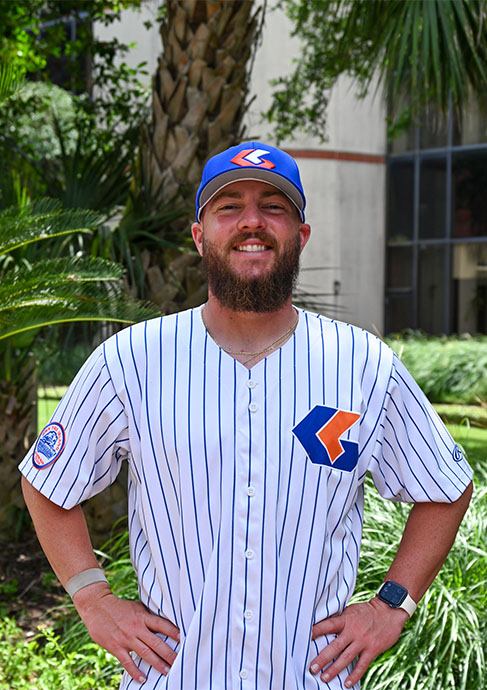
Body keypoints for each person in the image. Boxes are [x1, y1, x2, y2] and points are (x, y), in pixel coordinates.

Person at [20, 141, 473, 690]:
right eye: (228, 206)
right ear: (200, 234)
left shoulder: (363, 365)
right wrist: (93, 598)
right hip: (174, 676)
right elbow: (47, 483)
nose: (251, 221)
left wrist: (390, 606)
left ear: (300, 235)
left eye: (273, 207)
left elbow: (446, 489)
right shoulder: (131, 361)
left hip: (311, 678)